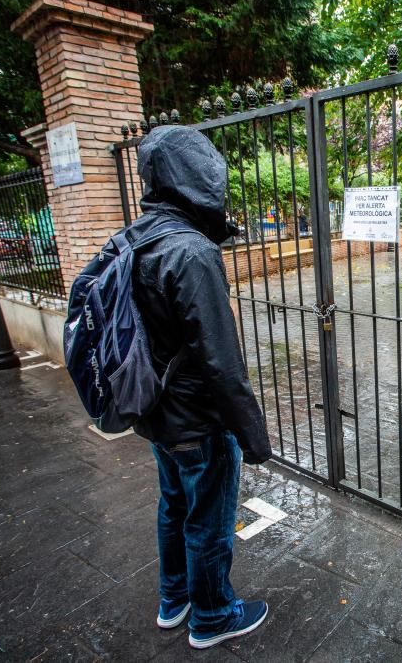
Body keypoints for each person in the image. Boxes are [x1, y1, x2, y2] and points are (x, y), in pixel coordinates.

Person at [126, 125, 272, 649]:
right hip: (197, 418)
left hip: (156, 412)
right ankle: (212, 615)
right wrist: (251, 435)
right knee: (207, 519)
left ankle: (175, 600)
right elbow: (222, 362)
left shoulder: (138, 237)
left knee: (174, 504)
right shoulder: (190, 251)